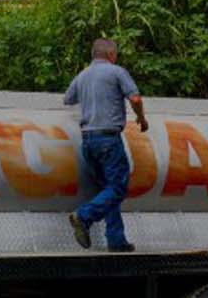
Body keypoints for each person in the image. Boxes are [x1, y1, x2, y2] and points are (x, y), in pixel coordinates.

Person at [62, 38, 149, 253]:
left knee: (108, 189)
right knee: (118, 188)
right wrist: (141, 119)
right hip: (108, 140)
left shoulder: (82, 76)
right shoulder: (117, 71)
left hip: (88, 140)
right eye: (115, 54)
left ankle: (116, 240)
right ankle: (83, 216)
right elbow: (136, 99)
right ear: (111, 54)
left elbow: (68, 99)